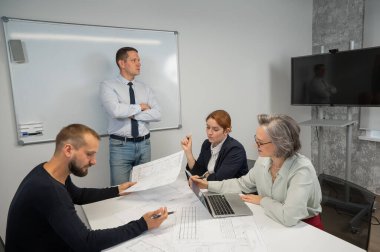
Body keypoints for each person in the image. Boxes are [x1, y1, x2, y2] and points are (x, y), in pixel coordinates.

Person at [5, 124, 168, 252]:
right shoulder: (49, 191)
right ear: (68, 149)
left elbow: (78, 195)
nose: (94, 161)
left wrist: (117, 190)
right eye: (89, 154)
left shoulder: (46, 171)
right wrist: (142, 224)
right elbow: (86, 243)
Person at [190, 114, 323, 229]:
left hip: (303, 226)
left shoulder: (302, 169)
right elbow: (241, 184)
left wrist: (262, 200)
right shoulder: (264, 161)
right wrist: (207, 185)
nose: (255, 146)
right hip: (272, 218)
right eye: (256, 140)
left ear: (281, 143)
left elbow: (289, 217)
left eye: (260, 143)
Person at [100, 47, 161, 185]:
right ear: (122, 63)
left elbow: (157, 114)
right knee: (121, 191)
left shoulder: (145, 88)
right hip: (121, 146)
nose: (139, 64)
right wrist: (140, 107)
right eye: (134, 60)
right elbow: (115, 111)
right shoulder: (108, 86)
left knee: (145, 188)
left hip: (145, 144)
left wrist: (133, 115)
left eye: (139, 60)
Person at [181, 110, 248, 181]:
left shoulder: (235, 149)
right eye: (208, 127)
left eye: (215, 129)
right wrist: (188, 152)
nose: (209, 132)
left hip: (232, 191)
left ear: (226, 131)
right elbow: (198, 172)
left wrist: (205, 175)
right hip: (210, 188)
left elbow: (219, 180)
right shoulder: (207, 144)